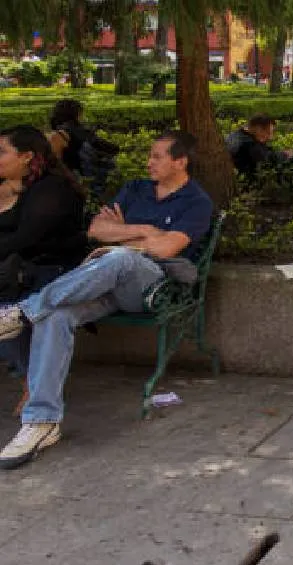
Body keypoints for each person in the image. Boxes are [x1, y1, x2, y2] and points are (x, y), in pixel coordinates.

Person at [0, 130, 213, 470]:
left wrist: (126, 236)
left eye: (157, 156)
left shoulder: (197, 202)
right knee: (56, 315)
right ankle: (42, 422)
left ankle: (22, 313)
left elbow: (166, 249)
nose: (148, 161)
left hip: (151, 287)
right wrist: (145, 230)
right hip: (103, 284)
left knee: (119, 258)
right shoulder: (135, 189)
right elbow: (96, 230)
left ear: (180, 162)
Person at [0, 126, 88, 415]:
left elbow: (27, 238)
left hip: (55, 269)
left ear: (27, 157)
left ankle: (33, 381)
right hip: (18, 268)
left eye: (2, 152)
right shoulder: (15, 184)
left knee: (11, 305)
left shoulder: (51, 188)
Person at [47, 99, 120, 194]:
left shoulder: (56, 130)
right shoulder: (75, 129)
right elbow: (102, 145)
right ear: (76, 114)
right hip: (79, 176)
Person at [225, 114, 293, 176]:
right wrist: (285, 154)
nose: (270, 137)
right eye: (268, 133)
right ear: (258, 129)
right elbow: (268, 159)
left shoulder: (236, 135)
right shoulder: (250, 145)